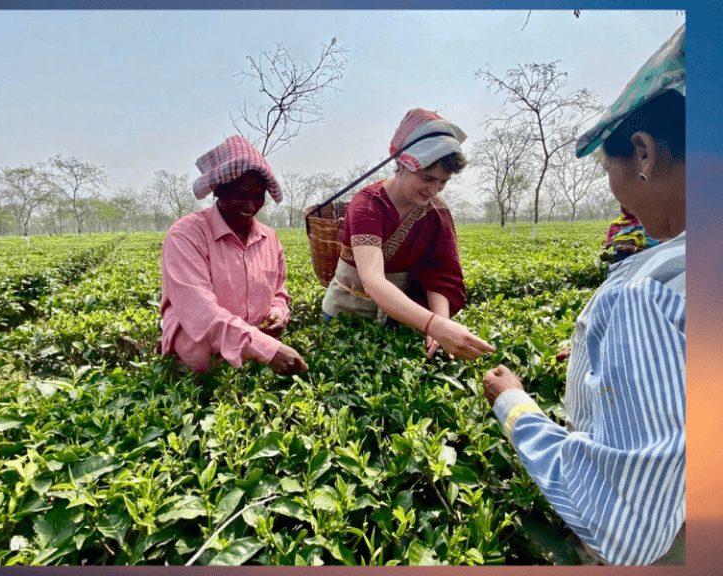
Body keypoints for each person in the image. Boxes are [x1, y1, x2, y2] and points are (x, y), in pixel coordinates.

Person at [482, 25, 685, 565]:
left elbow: (627, 524)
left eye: (608, 168)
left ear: (643, 152)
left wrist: (514, 406)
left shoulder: (647, 292)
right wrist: (608, 362)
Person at [321, 108, 495, 360]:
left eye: (442, 182)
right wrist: (435, 325)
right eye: (428, 178)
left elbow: (439, 274)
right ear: (403, 164)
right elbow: (373, 280)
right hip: (347, 316)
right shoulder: (368, 206)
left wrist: (439, 329)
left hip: (401, 319)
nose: (433, 190)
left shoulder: (436, 213)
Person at [160, 135, 308, 375]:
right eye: (240, 194)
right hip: (200, 373)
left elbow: (279, 292)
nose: (250, 205)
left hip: (256, 363)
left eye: (258, 196)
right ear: (218, 190)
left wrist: (278, 313)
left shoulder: (270, 239)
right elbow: (200, 311)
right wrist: (266, 349)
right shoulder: (186, 235)